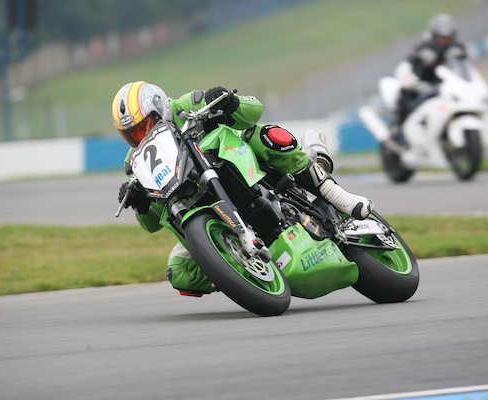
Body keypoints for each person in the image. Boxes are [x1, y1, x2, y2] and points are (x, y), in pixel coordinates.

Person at [112, 82, 373, 295]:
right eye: (132, 134)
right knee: (179, 272)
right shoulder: (135, 162)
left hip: (239, 168)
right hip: (208, 213)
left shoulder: (186, 105)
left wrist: (230, 102)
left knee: (264, 135)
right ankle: (240, 274)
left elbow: (254, 110)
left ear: (160, 108)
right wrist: (141, 204)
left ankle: (335, 194)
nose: (140, 136)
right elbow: (152, 224)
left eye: (144, 126)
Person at [394, 14, 469, 125]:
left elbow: (466, 68)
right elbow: (405, 68)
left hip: (449, 86)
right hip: (424, 87)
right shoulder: (422, 49)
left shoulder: (458, 49)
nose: (444, 41)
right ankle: (400, 124)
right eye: (441, 38)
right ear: (434, 36)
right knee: (405, 93)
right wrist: (416, 84)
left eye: (447, 38)